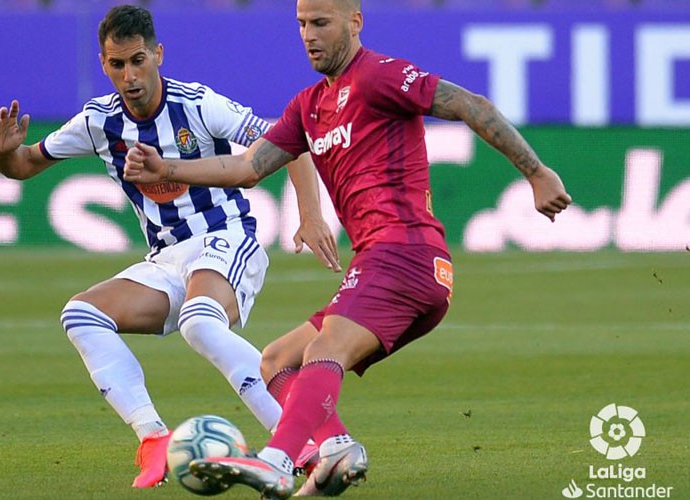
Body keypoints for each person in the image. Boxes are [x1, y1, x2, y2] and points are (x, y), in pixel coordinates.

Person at [123, 0, 573, 497]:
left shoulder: (379, 76)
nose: (309, 35)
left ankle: (277, 460)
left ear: (354, 22)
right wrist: (168, 170)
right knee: (276, 361)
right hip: (389, 263)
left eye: (321, 22)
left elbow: (471, 105)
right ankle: (335, 448)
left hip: (406, 253)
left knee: (323, 350)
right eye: (301, 24)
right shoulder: (308, 105)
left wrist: (537, 173)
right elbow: (247, 168)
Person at [0, 4, 339, 490]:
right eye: (116, 65)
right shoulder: (97, 122)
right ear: (104, 64)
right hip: (166, 259)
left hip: (227, 238)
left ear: (158, 54)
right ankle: (153, 438)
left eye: (137, 61)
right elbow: (24, 165)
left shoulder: (198, 105)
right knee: (81, 314)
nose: (129, 76)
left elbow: (284, 141)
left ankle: (296, 443)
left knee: (199, 322)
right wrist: (4, 152)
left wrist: (311, 214)